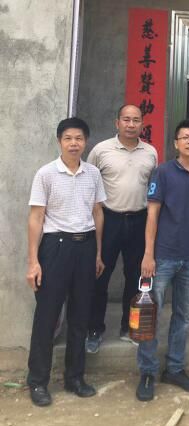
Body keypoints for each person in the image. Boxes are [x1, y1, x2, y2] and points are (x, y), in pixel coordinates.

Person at [26, 118, 106, 406]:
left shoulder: (93, 174)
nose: (74, 143)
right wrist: (33, 261)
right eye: (68, 138)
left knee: (80, 316)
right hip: (55, 247)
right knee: (47, 317)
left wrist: (97, 252)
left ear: (86, 142)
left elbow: (97, 212)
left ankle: (75, 378)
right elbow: (36, 217)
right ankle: (38, 381)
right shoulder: (46, 174)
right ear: (59, 141)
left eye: (79, 138)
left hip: (86, 247)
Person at [136, 119, 189, 402]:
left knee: (183, 315)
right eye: (185, 137)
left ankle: (175, 369)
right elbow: (152, 214)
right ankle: (147, 372)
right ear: (176, 143)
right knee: (151, 314)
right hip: (163, 255)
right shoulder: (164, 172)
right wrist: (148, 254)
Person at [85, 104, 158, 353]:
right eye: (126, 119)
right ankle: (95, 329)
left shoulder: (150, 152)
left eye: (136, 120)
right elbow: (89, 184)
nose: (131, 124)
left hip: (139, 220)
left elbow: (152, 188)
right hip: (108, 220)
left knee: (136, 278)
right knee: (99, 275)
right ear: (117, 122)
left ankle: (128, 327)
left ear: (142, 124)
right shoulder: (101, 150)